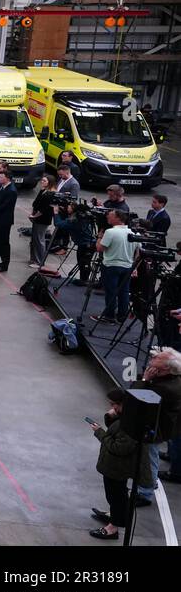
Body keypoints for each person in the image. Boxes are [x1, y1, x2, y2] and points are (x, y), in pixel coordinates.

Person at [87, 388, 152, 540]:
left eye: (114, 404)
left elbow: (119, 447)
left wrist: (99, 433)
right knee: (114, 495)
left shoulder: (132, 424)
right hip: (115, 466)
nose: (112, 407)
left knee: (117, 496)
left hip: (119, 467)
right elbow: (115, 430)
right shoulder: (126, 417)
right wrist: (110, 416)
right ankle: (114, 515)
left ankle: (113, 528)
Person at [134, 348, 181, 503]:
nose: (153, 357)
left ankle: (145, 493)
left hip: (155, 428)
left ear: (166, 367)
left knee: (149, 458)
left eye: (158, 357)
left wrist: (145, 380)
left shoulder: (164, 388)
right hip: (164, 424)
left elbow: (137, 399)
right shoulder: (169, 379)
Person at [94, 209, 134, 324]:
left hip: (111, 266)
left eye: (110, 216)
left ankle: (109, 316)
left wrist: (99, 237)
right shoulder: (134, 233)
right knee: (124, 292)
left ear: (118, 218)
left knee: (111, 292)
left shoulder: (110, 232)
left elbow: (100, 248)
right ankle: (122, 316)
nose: (107, 218)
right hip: (127, 266)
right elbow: (138, 251)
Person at [28, 175, 56, 268]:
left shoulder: (50, 194)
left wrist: (34, 216)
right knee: (35, 239)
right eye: (42, 180)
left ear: (49, 183)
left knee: (39, 240)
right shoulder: (43, 191)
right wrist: (32, 214)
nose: (42, 182)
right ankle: (34, 258)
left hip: (43, 219)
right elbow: (36, 204)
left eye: (44, 181)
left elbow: (43, 209)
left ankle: (39, 261)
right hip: (37, 218)